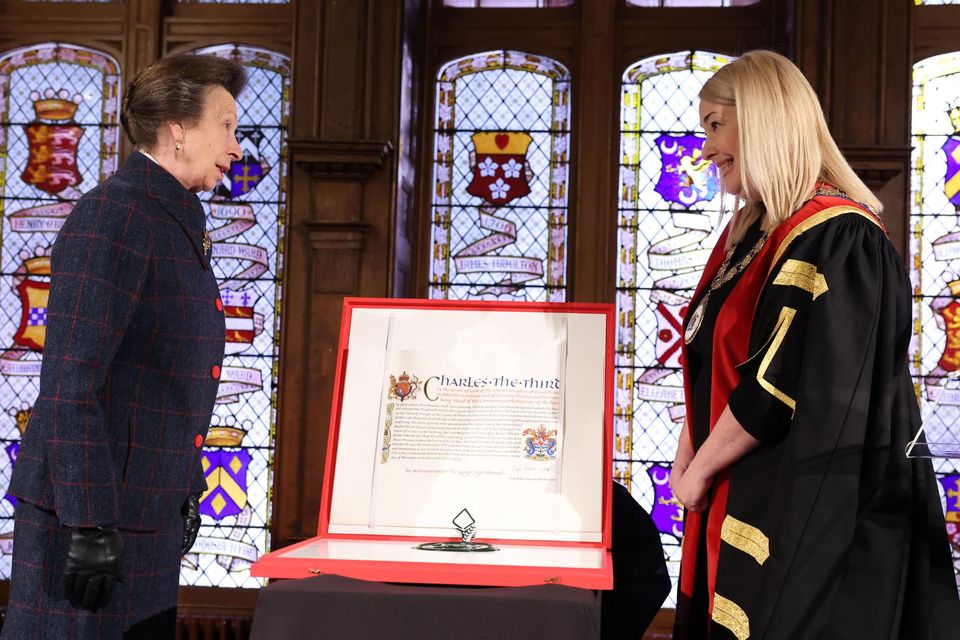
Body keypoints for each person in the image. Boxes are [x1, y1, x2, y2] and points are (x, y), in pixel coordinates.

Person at [669, 49, 960, 639]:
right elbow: (710, 359)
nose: (705, 148)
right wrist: (688, 457)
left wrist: (698, 469)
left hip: (803, 507)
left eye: (714, 125)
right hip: (731, 483)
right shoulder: (749, 235)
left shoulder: (837, 235)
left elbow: (780, 381)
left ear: (764, 119)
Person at [1, 53, 244, 639]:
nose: (236, 147)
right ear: (178, 129)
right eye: (227, 126)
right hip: (87, 521)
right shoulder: (113, 215)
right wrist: (89, 524)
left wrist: (180, 496)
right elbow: (70, 385)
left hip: (142, 519)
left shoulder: (171, 216)